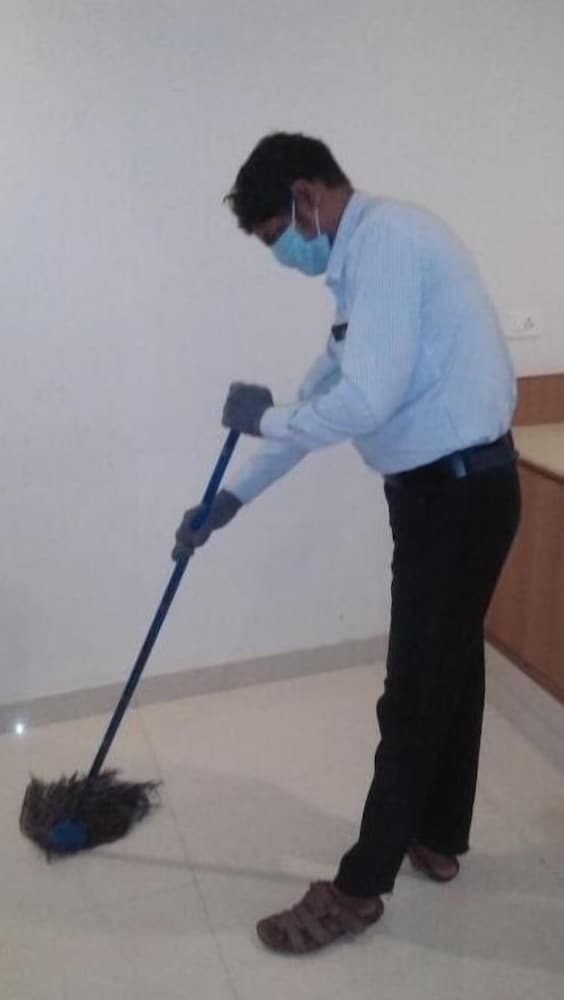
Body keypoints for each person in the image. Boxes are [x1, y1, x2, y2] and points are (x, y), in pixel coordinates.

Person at [172, 133, 521, 955]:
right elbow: (318, 398)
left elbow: (363, 403)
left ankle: (358, 891)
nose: (281, 254)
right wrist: (229, 499)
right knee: (451, 672)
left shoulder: (389, 243)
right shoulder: (361, 267)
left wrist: (263, 418)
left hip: (458, 494)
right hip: (450, 493)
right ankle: (438, 835)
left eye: (275, 236)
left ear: (306, 196)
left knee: (412, 696)